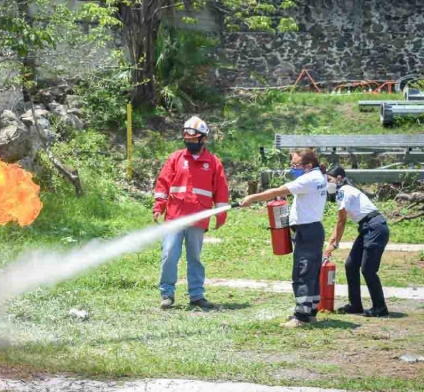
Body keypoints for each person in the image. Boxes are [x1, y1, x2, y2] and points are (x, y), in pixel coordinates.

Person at [241, 149, 327, 328]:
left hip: (307, 231)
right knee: (311, 272)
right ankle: (309, 312)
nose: (292, 168)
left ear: (308, 166)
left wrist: (253, 198)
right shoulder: (318, 176)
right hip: (311, 230)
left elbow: (278, 190)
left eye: (296, 165)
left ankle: (301, 318)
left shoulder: (308, 179)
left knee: (303, 272)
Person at [153, 116, 229, 310]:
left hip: (198, 218)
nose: (190, 143)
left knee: (194, 257)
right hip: (175, 216)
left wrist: (221, 215)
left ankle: (196, 295)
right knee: (169, 253)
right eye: (187, 140)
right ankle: (167, 294)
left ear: (203, 139)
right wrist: (158, 206)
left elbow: (220, 191)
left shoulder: (213, 162)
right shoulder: (176, 158)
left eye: (194, 140)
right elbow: (163, 183)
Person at [323, 165, 390, 317]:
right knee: (351, 264)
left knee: (368, 270)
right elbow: (339, 222)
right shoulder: (344, 191)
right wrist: (332, 241)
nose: (328, 184)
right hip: (367, 227)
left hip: (375, 227)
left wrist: (334, 243)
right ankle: (355, 305)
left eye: (329, 180)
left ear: (339, 178)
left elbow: (341, 221)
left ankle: (380, 307)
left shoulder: (343, 191)